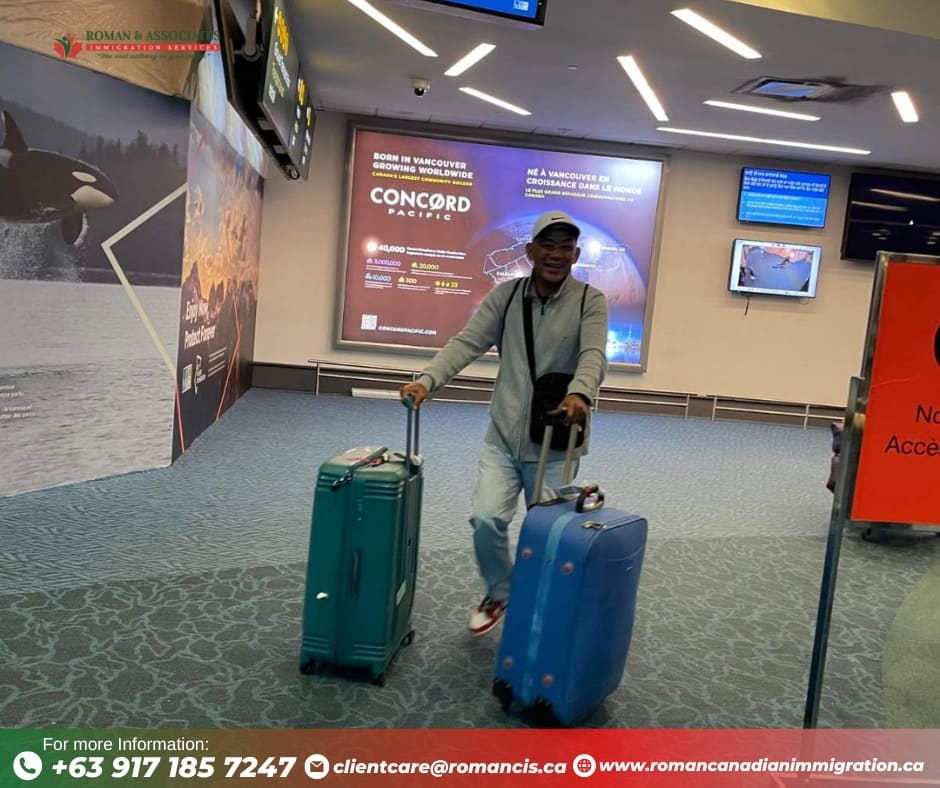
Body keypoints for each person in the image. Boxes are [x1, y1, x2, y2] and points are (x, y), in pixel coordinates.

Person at [400, 210, 609, 636]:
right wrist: (426, 380)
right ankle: (500, 591)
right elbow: (466, 343)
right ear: (530, 251)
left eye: (565, 247)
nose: (556, 254)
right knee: (486, 519)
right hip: (502, 437)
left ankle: (542, 604)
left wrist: (580, 392)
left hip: (554, 441)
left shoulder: (590, 300)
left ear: (576, 254)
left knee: (546, 534)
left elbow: (593, 355)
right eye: (547, 245)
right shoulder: (507, 297)